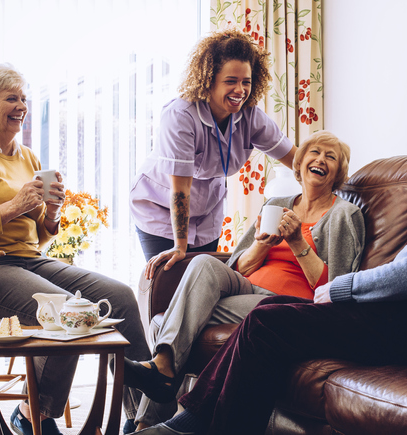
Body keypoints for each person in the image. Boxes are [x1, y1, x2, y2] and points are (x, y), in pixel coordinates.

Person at [132, 68, 407, 435]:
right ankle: (188, 421)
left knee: (269, 323)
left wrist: (346, 287)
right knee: (263, 317)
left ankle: (191, 424)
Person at [0, 62, 150, 435]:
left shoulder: (26, 156)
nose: (22, 106)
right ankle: (34, 416)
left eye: (24, 98)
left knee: (121, 297)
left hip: (24, 260)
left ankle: (145, 420)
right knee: (65, 311)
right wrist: (13, 205)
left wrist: (50, 214)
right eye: (11, 98)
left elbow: (36, 238)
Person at [127, 131, 365, 431]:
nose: (320, 160)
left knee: (169, 322)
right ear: (300, 162)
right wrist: (263, 243)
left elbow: (336, 288)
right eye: (314, 152)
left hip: (286, 304)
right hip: (246, 288)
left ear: (338, 172)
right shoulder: (277, 203)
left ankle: (145, 420)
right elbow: (237, 266)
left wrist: (296, 242)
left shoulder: (344, 214)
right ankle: (159, 382)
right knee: (203, 263)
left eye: (331, 157)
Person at [129, 27, 297, 282]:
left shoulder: (250, 116)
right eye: (230, 81)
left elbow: (297, 160)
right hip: (161, 209)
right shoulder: (181, 115)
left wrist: (340, 186)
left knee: (201, 289)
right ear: (209, 80)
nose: (240, 90)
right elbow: (180, 190)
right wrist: (180, 246)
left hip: (207, 213)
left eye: (246, 82)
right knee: (169, 286)